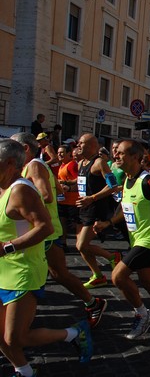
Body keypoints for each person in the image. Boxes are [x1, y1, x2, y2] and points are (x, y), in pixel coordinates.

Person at [0, 139, 93, 377]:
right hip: (1, 270)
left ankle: (73, 333)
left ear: (10, 164)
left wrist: (8, 248)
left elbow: (45, 228)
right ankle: (24, 371)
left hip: (23, 270)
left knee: (16, 337)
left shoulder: (21, 190)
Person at [12, 133, 107, 329]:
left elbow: (46, 195)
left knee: (56, 271)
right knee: (56, 273)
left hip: (46, 229)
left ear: (25, 148)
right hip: (46, 228)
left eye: (12, 147)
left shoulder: (35, 166)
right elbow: (58, 190)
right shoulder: (36, 166)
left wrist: (19, 204)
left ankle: (94, 296)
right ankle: (92, 301)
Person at [93, 140, 150, 338]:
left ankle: (143, 315)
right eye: (115, 152)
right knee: (148, 280)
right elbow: (125, 209)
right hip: (136, 239)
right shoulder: (127, 179)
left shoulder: (148, 181)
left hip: (149, 240)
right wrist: (107, 223)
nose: (115, 155)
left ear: (135, 157)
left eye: (121, 153)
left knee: (118, 276)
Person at [74, 133, 122, 289]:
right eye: (78, 143)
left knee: (81, 245)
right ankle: (98, 275)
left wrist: (92, 198)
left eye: (82, 143)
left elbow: (113, 185)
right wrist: (67, 185)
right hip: (83, 208)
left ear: (92, 146)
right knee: (81, 246)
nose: (78, 146)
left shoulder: (99, 162)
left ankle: (112, 257)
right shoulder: (81, 163)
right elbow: (82, 183)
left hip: (95, 209)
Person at [57, 144, 81, 248]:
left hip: (72, 200)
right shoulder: (62, 165)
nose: (59, 154)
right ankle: (63, 242)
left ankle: (80, 243)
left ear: (68, 154)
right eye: (58, 153)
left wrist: (65, 183)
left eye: (62, 152)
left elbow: (78, 179)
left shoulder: (72, 165)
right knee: (62, 221)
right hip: (63, 199)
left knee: (75, 223)